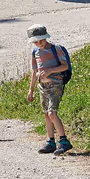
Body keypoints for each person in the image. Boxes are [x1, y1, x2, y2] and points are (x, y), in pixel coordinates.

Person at [26, 25, 74, 155]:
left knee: (52, 113)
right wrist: (31, 90)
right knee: (47, 114)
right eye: (35, 41)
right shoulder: (35, 52)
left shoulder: (56, 49)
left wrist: (49, 71)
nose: (38, 43)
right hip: (42, 87)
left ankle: (64, 141)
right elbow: (35, 71)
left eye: (40, 40)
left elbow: (64, 66)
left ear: (45, 38)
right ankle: (50, 141)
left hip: (55, 84)